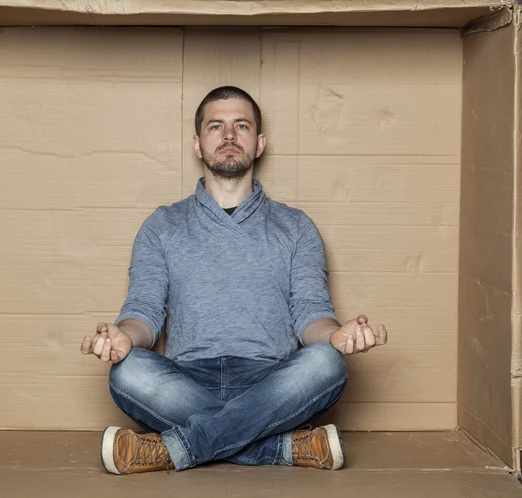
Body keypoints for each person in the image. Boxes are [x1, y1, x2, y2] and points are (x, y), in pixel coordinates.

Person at [80, 86, 388, 475]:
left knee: (328, 363)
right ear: (198, 143)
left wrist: (335, 337)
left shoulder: (296, 227)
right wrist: (123, 336)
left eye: (241, 126)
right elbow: (143, 313)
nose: (228, 136)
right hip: (185, 382)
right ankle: (280, 446)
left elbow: (312, 314)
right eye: (216, 126)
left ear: (258, 144)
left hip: (273, 381)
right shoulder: (162, 225)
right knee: (128, 372)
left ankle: (173, 449)